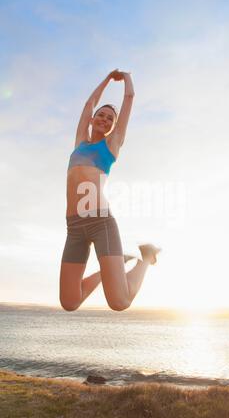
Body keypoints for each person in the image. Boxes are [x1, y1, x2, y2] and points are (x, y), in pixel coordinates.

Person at [59, 69, 161, 312]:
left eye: (109, 119)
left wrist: (125, 77)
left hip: (100, 222)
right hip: (74, 226)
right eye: (101, 115)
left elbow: (129, 99)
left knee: (119, 302)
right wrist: (106, 79)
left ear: (113, 127)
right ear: (94, 119)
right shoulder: (80, 143)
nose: (104, 119)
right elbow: (88, 104)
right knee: (70, 302)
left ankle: (146, 257)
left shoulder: (111, 145)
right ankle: (112, 268)